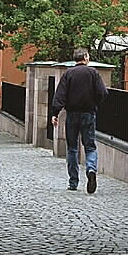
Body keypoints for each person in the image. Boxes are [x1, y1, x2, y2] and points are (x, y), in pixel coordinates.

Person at [50, 48, 108, 193]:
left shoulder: (68, 74)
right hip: (88, 113)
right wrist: (95, 103)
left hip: (72, 114)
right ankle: (91, 170)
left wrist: (55, 113)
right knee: (90, 146)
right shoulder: (93, 73)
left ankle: (73, 182)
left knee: (72, 148)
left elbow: (60, 95)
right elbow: (102, 92)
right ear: (86, 57)